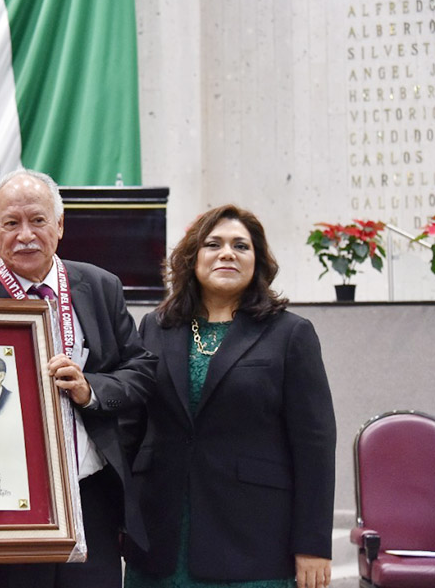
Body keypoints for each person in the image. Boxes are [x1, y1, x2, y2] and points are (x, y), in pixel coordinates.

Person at [0, 168, 157, 588]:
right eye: (11, 223)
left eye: (38, 220)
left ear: (59, 225)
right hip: (3, 505)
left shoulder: (101, 286)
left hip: (91, 498)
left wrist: (91, 390)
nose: (25, 235)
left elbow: (141, 370)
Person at [122, 205, 337, 588]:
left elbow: (315, 446)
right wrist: (121, 517)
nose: (227, 253)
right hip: (160, 539)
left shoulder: (290, 334)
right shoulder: (155, 326)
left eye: (241, 246)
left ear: (257, 261)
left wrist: (313, 544)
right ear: (193, 258)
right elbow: (132, 429)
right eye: (213, 244)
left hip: (253, 543)